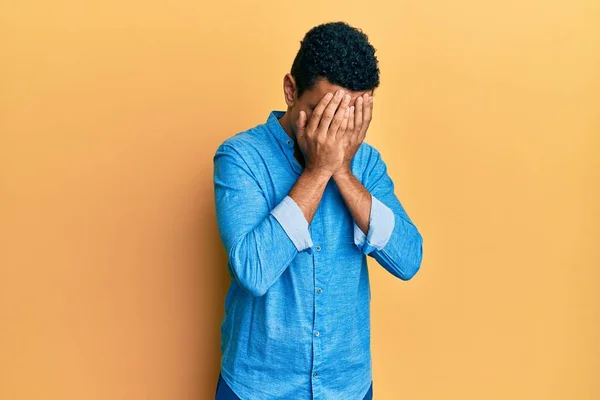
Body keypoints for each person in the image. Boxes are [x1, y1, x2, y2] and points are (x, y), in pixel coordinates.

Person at [213, 21, 423, 400]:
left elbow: (408, 259)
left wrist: (341, 169)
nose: (333, 132)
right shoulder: (240, 157)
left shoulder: (367, 163)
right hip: (257, 388)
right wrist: (318, 170)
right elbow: (254, 272)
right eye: (322, 113)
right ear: (291, 90)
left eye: (348, 118)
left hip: (346, 387)